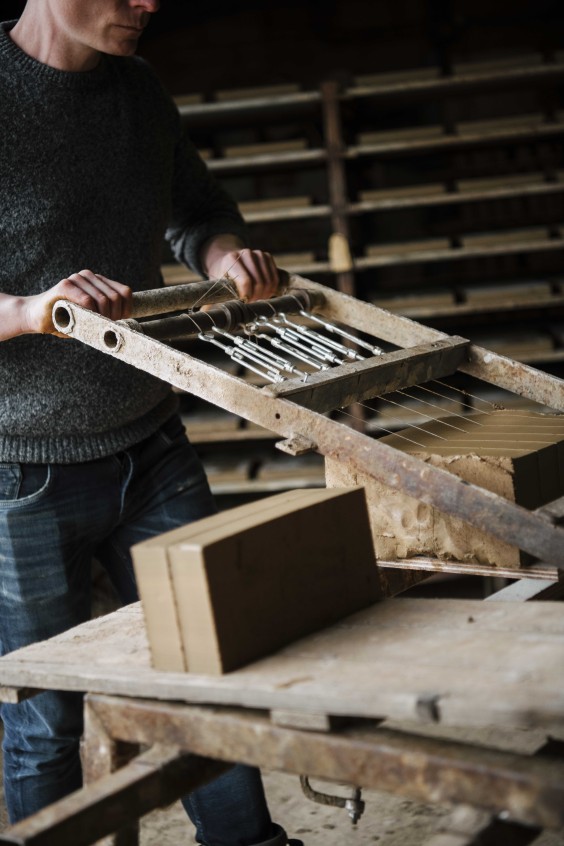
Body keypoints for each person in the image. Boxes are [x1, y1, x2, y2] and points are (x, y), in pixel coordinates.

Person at [0, 1, 303, 844]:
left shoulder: (138, 92)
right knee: (45, 718)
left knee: (203, 675)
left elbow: (197, 207)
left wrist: (221, 254)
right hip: (19, 471)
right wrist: (28, 310)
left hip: (152, 443)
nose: (150, 4)